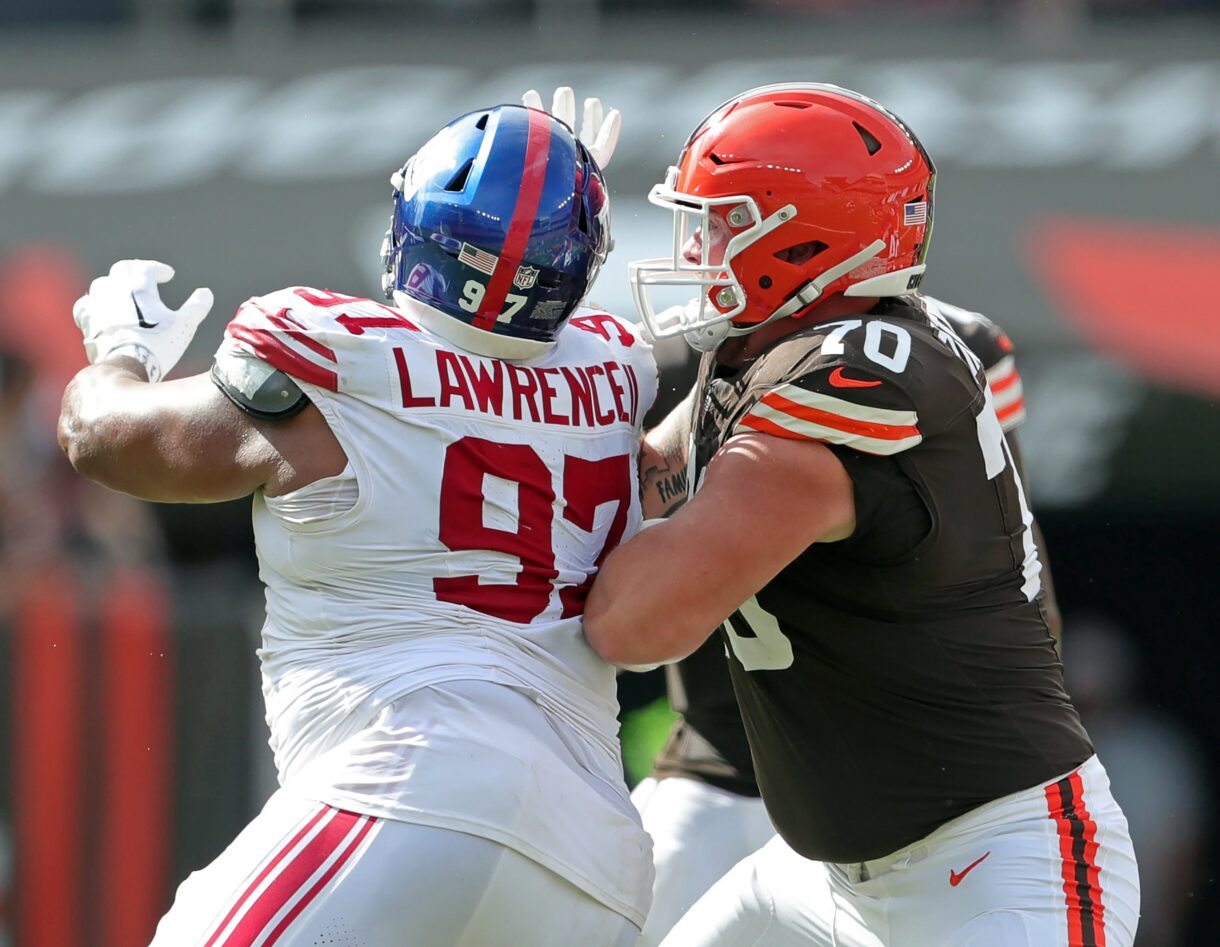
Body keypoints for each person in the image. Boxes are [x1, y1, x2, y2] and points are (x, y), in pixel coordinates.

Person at [59, 101, 658, 947]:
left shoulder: (343, 357)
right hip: (597, 861)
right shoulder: (620, 365)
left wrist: (121, 348)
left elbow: (106, 442)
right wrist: (554, 210)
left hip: (413, 780)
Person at [584, 83, 1139, 946]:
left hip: (992, 870)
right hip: (827, 876)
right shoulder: (796, 346)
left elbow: (633, 621)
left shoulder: (843, 388)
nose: (697, 246)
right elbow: (643, 473)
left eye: (725, 222)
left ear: (806, 236)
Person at [630, 299, 1049, 947]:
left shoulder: (939, 350)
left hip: (905, 808)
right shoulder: (697, 348)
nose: (703, 239)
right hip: (737, 772)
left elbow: (1015, 575)